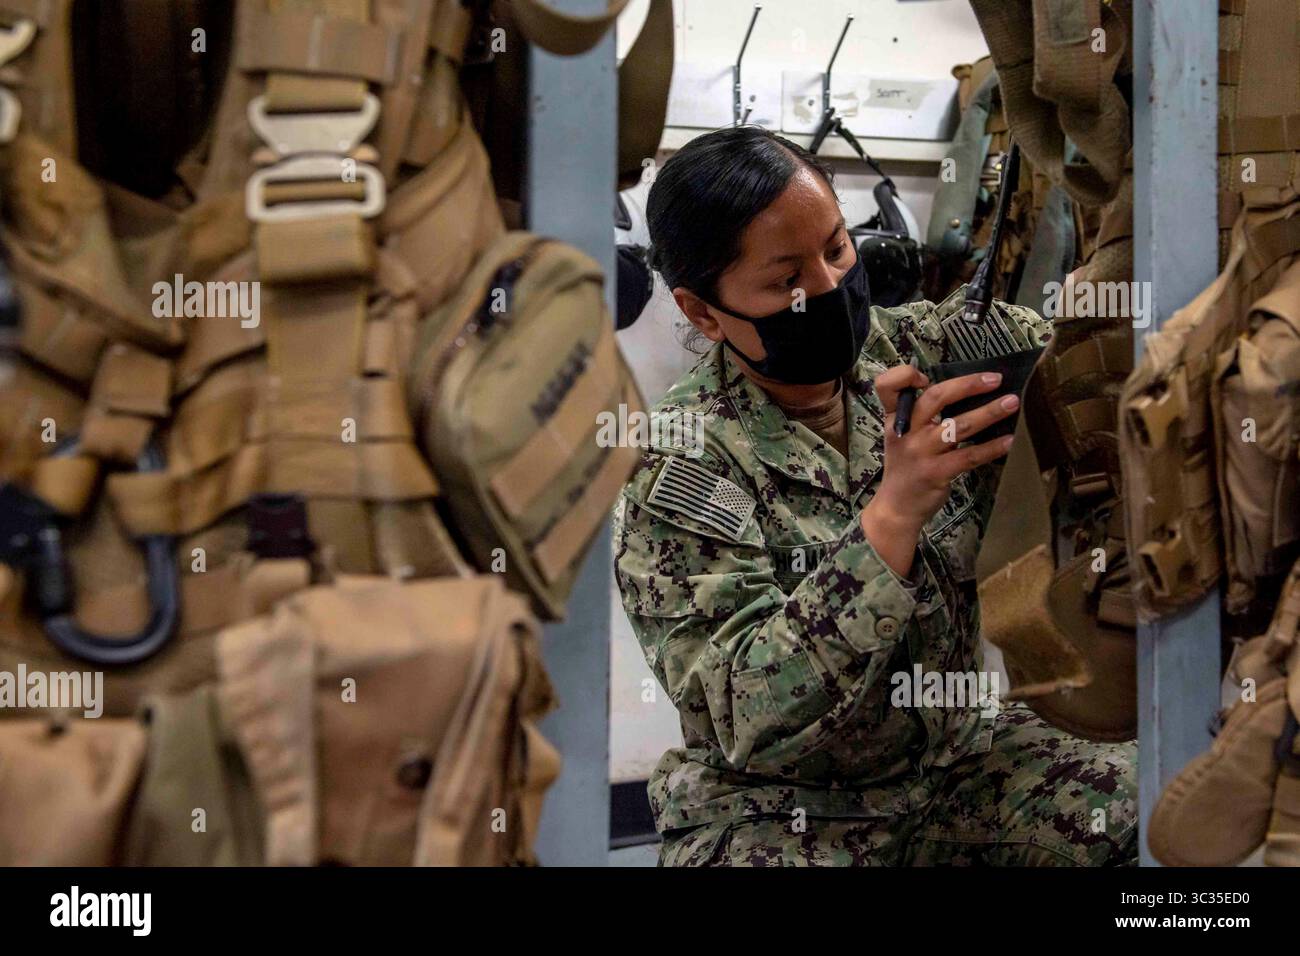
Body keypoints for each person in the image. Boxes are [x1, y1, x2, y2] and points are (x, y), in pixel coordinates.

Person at [612, 126, 1138, 866]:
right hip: (781, 809)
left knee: (1160, 808)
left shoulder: (935, 352)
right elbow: (746, 712)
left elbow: (1097, 358)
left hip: (961, 767)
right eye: (786, 280)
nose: (826, 288)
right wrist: (894, 513)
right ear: (703, 312)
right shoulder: (683, 464)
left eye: (835, 249)